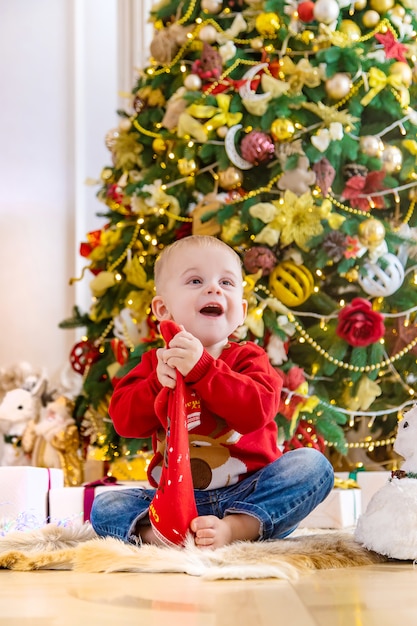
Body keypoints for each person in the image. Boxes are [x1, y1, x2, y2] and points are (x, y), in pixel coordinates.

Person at [90, 235, 334, 549]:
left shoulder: (249, 358)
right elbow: (124, 421)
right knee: (106, 507)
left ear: (242, 311)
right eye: (195, 280)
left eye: (227, 282)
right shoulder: (156, 364)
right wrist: (154, 385)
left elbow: (256, 412)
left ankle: (236, 528)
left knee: (312, 467)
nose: (214, 289)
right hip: (176, 498)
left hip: (249, 491)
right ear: (163, 309)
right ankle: (165, 536)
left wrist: (203, 368)